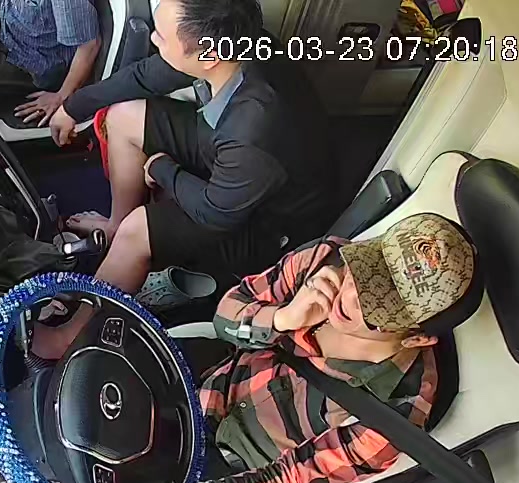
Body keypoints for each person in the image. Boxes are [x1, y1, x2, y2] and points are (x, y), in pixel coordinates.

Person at [62, 213, 482, 483]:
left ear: (417, 339)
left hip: (235, 471)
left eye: (377, 305)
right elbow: (231, 309)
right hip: (213, 375)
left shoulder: (393, 417)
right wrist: (282, 319)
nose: (350, 294)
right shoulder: (328, 260)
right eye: (367, 269)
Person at [32, 0, 334, 361]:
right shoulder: (237, 46)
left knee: (139, 230)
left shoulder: (256, 128)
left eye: (162, 36)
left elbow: (215, 212)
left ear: (208, 56)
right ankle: (114, 227)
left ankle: (70, 337)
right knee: (124, 117)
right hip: (229, 156)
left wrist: (163, 169)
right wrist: (73, 106)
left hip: (267, 226)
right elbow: (146, 75)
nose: (154, 39)